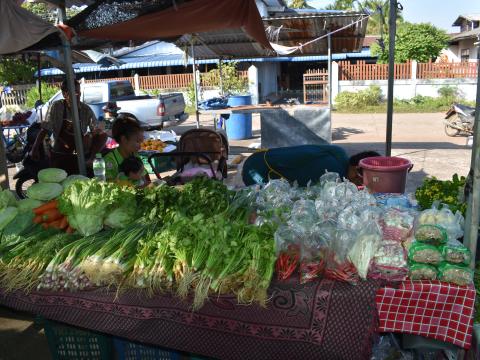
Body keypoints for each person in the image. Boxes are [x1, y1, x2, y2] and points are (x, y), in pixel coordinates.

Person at [31, 79, 107, 174]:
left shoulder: (85, 109)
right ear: (64, 94)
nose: (78, 95)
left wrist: (95, 132)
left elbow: (96, 127)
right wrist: (35, 147)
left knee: (102, 135)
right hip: (60, 154)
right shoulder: (57, 107)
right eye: (74, 93)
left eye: (79, 92)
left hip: (79, 155)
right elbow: (45, 128)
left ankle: (91, 160)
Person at [241, 144, 380, 187]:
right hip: (257, 169)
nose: (360, 184)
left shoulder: (340, 155)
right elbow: (304, 192)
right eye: (361, 180)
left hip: (259, 159)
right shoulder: (334, 171)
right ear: (357, 170)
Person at [104, 116, 150, 186]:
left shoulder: (135, 155)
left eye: (141, 141)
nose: (140, 146)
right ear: (124, 139)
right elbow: (109, 186)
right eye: (137, 141)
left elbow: (145, 179)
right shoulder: (109, 160)